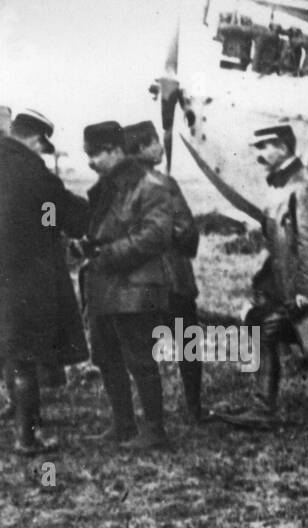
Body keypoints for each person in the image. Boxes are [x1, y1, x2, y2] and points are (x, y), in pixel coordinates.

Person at [217, 123, 308, 429]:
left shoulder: (306, 186)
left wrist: (304, 292)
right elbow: (281, 244)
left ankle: (266, 410)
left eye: (263, 147)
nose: (258, 154)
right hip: (299, 284)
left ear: (283, 147)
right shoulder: (282, 185)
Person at [82, 120, 175, 451]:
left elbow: (156, 235)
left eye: (96, 153)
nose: (91, 161)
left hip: (135, 288)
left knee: (140, 360)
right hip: (107, 288)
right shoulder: (106, 187)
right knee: (107, 358)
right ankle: (123, 425)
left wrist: (107, 255)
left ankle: (154, 430)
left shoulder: (150, 186)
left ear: (116, 150)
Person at [0, 109, 89, 453]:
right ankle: (28, 437)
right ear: (36, 140)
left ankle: (19, 419)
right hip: (24, 278)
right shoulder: (32, 171)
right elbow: (59, 215)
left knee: (9, 351)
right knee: (25, 358)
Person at [124, 120, 205, 424]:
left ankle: (147, 418)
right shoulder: (164, 183)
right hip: (172, 278)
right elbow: (186, 231)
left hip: (135, 280)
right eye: (155, 141)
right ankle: (195, 409)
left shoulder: (121, 186)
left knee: (140, 349)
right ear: (142, 148)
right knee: (188, 345)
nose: (161, 146)